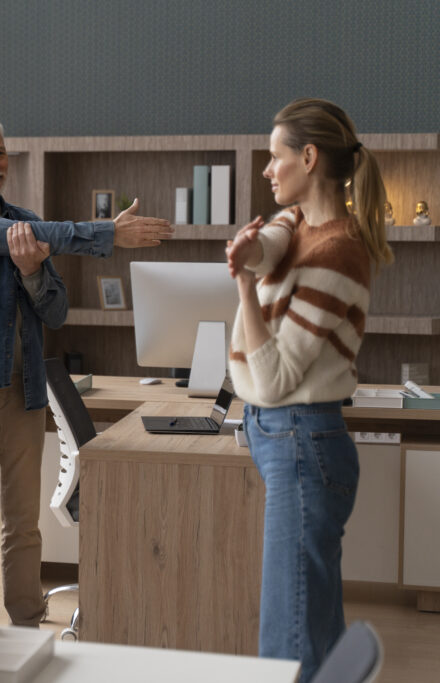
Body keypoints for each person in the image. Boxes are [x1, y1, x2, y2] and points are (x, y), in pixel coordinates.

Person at [0, 111, 172, 626]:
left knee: (24, 523)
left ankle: (27, 622)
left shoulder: (28, 223)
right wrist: (105, 234)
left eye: (0, 153)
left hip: (23, 388)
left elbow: (56, 311)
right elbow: (3, 235)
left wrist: (33, 272)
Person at [225, 98, 393, 681]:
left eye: (276, 157)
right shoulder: (299, 223)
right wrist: (252, 254)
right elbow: (273, 241)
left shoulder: (338, 251)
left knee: (290, 641)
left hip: (301, 441)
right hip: (293, 443)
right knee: (311, 626)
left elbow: (273, 380)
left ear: (310, 156)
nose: (267, 170)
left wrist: (244, 286)